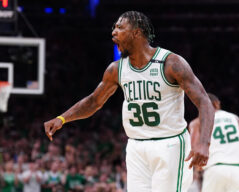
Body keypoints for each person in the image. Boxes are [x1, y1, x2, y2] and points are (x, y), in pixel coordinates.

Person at [44, 11, 214, 192]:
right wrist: (62, 118)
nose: (113, 33)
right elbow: (94, 101)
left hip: (170, 144)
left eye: (119, 27)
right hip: (136, 147)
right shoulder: (116, 69)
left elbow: (204, 102)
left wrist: (204, 143)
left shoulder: (171, 63)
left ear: (136, 32)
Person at [189, 93, 239, 192]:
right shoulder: (234, 117)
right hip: (237, 169)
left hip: (215, 169)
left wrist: (198, 167)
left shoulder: (197, 122)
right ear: (217, 104)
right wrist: (235, 155)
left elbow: (194, 148)